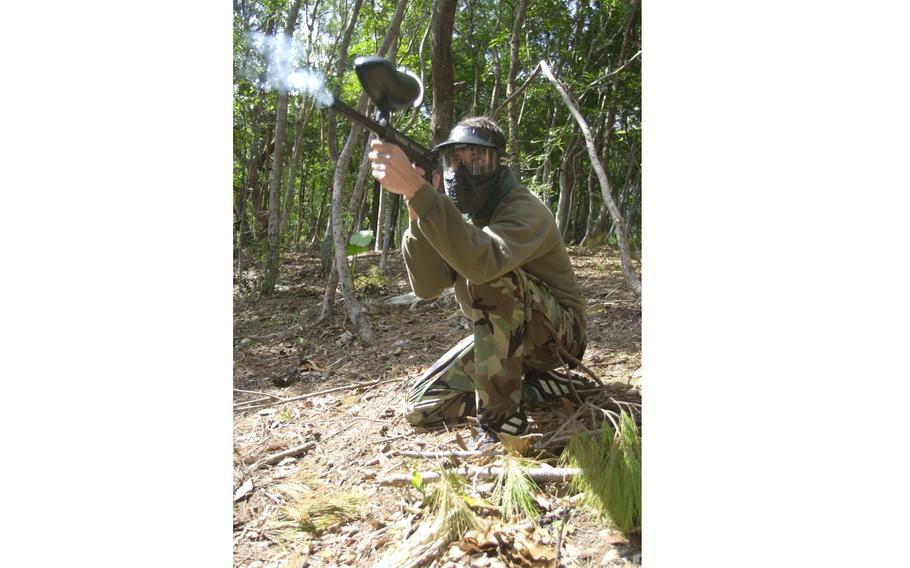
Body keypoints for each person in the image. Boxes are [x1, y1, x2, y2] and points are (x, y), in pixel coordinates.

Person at [368, 116, 588, 442]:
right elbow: (428, 286)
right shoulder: (462, 221)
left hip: (558, 341)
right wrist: (417, 206)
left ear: (499, 164)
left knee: (487, 278)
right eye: (455, 161)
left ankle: (502, 421)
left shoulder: (524, 208)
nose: (464, 171)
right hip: (505, 342)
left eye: (478, 160)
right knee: (423, 405)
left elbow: (484, 263)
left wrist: (419, 192)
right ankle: (536, 386)